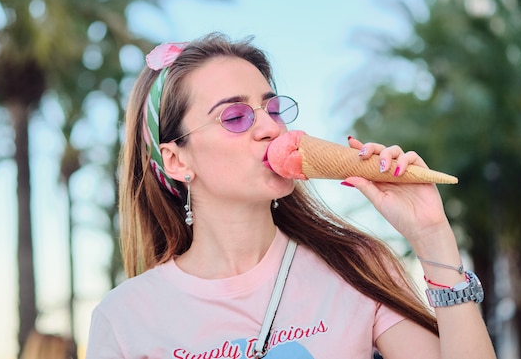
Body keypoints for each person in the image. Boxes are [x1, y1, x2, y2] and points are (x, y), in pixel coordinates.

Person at [86, 33, 496, 358]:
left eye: (272, 108)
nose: (271, 128)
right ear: (176, 161)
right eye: (235, 116)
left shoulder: (357, 267)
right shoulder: (124, 319)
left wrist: (432, 236)